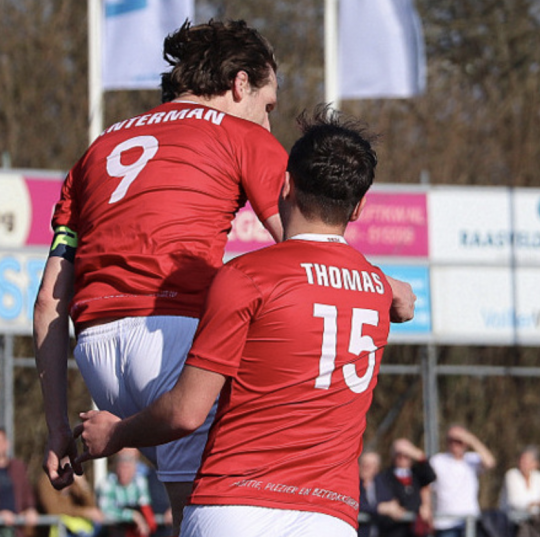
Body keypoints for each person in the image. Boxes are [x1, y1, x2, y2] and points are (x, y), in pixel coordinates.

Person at [33, 17, 414, 535]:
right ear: (240, 84)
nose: (269, 122)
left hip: (96, 348)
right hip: (171, 333)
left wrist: (57, 425)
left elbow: (48, 304)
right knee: (220, 502)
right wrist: (386, 289)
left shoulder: (96, 151)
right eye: (269, 105)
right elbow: (312, 246)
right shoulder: (240, 135)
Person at [73, 106, 395, 537]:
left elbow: (187, 411)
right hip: (329, 513)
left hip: (235, 505)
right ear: (358, 209)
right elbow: (390, 296)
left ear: (285, 185)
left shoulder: (246, 276)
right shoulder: (378, 290)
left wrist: (116, 435)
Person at [429, 425, 496, 537]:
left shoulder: (472, 459)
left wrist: (471, 439)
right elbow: (427, 488)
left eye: (459, 441)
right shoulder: (437, 461)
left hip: (470, 522)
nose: (455, 444)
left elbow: (490, 462)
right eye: (451, 440)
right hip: (446, 523)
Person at [376, 438, 436, 537]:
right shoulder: (385, 476)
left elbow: (431, 476)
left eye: (406, 455)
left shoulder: (416, 474)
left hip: (415, 530)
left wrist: (416, 454)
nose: (402, 458)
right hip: (393, 529)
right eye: (398, 455)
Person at [499, 445, 540, 537]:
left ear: (536, 463)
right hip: (514, 523)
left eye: (527, 461)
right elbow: (515, 503)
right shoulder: (511, 475)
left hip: (538, 523)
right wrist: (539, 504)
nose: (523, 463)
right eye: (522, 460)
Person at [97, 449, 156, 537]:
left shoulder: (140, 481)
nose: (123, 472)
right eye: (122, 467)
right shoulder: (107, 482)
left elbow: (145, 507)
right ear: (117, 467)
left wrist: (146, 523)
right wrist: (132, 516)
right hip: (113, 529)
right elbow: (105, 511)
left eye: (127, 467)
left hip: (134, 530)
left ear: (134, 469)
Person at [37, 471, 104, 537]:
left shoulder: (75, 483)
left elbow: (92, 507)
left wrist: (84, 486)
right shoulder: (47, 480)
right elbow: (54, 510)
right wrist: (84, 512)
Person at [0, 428, 38, 537]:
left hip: (16, 528)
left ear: (7, 444)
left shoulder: (18, 468)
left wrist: (30, 509)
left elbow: (27, 494)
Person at [358, 451, 402, 537]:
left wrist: (394, 507)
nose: (366, 467)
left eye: (371, 465)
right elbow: (356, 504)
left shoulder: (382, 484)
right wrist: (379, 508)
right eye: (364, 464)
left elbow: (390, 502)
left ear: (377, 468)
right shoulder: (353, 484)